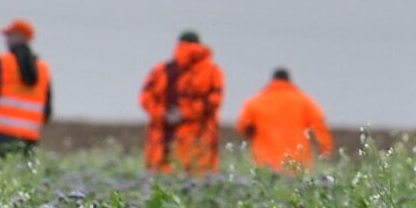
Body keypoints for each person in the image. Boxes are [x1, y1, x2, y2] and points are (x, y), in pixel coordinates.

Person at [139, 30, 224, 174]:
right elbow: (214, 101)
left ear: (178, 45)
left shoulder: (160, 70)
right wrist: (185, 114)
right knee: (198, 185)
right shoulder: (214, 72)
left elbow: (145, 97)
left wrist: (162, 115)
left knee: (162, 184)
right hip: (199, 142)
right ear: (200, 45)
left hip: (163, 142)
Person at [236, 68, 334, 172]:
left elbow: (243, 127)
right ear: (289, 81)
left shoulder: (254, 102)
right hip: (296, 163)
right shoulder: (305, 101)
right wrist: (325, 150)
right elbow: (320, 126)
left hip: (265, 163)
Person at [0, 19, 52, 155]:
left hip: (0, 133)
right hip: (30, 138)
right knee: (23, 173)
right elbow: (47, 108)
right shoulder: (43, 69)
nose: (6, 40)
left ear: (21, 37)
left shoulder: (3, 61)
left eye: (10, 35)